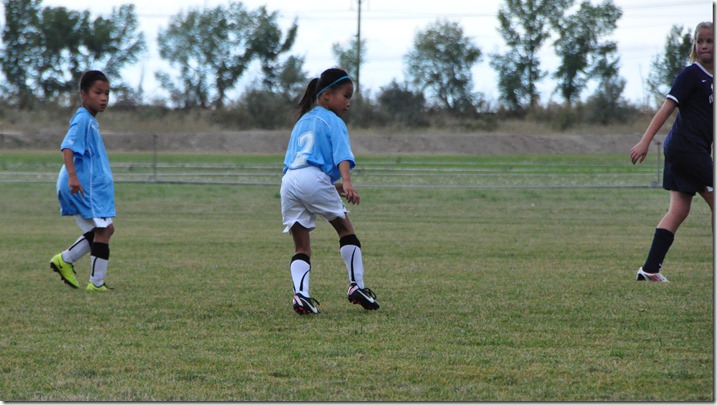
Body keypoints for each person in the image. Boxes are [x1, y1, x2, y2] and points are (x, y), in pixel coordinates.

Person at [280, 68, 380, 314]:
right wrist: (347, 181)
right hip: (312, 178)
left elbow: (298, 162)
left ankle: (301, 295)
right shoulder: (333, 120)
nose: (348, 102)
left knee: (301, 246)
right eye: (345, 96)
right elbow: (342, 155)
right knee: (346, 230)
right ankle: (357, 286)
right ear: (326, 95)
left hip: (289, 180)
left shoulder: (302, 122)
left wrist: (326, 186)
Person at [629, 21, 713, 282]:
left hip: (686, 150)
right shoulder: (691, 75)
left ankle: (650, 270)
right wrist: (644, 141)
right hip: (686, 150)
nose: (704, 46)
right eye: (700, 41)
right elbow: (666, 109)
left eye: (709, 41)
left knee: (678, 210)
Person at [50, 70, 115, 292]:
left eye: (107, 93)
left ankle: (65, 260)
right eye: (98, 92)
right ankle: (96, 283)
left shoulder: (90, 121)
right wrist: (73, 177)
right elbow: (67, 147)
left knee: (103, 230)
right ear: (84, 94)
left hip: (85, 187)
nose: (104, 98)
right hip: (81, 187)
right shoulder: (82, 119)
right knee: (103, 231)